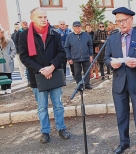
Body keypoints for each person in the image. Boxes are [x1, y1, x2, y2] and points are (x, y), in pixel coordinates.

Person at [18, 7, 71, 143]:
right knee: (42, 107)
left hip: (54, 74)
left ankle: (61, 128)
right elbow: (24, 57)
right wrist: (41, 70)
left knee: (58, 105)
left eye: (45, 17)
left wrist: (52, 67)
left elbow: (61, 53)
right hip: (37, 76)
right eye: (40, 17)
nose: (43, 19)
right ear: (32, 19)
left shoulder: (55, 33)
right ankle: (45, 131)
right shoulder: (24, 36)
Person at [104, 7, 136, 154]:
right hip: (119, 83)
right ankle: (124, 142)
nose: (121, 24)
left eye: (124, 20)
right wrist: (111, 63)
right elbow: (106, 58)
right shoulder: (112, 38)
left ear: (131, 19)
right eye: (118, 21)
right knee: (121, 114)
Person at [65, 21, 93, 90]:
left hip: (86, 57)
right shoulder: (69, 36)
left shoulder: (86, 35)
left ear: (81, 27)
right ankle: (79, 85)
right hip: (75, 58)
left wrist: (91, 55)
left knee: (87, 71)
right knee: (77, 73)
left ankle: (87, 84)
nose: (78, 28)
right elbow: (67, 47)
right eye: (76, 26)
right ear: (73, 27)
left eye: (79, 26)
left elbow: (90, 45)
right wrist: (69, 58)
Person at [0, 27, 16, 94]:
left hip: (7, 60)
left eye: (1, 32)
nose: (0, 34)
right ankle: (3, 88)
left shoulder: (9, 41)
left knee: (8, 74)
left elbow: (14, 50)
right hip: (0, 61)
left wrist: (10, 57)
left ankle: (9, 88)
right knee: (1, 74)